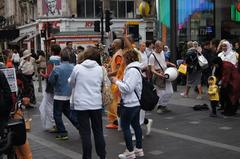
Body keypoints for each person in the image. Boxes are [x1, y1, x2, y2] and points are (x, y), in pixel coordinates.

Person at [69, 46, 106, 159]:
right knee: (98, 131)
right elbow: (101, 83)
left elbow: (71, 82)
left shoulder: (78, 68)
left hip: (81, 105)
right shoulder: (100, 69)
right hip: (96, 103)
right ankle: (102, 155)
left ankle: (87, 157)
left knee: (85, 134)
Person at [111, 49, 144, 159]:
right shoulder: (135, 69)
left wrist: (116, 81)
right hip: (135, 103)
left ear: (128, 59)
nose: (123, 60)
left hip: (130, 104)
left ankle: (130, 151)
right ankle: (138, 149)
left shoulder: (132, 71)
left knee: (125, 127)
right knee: (136, 126)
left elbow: (128, 88)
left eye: (124, 58)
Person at [48, 49, 79, 140]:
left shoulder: (57, 68)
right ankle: (79, 125)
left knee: (57, 114)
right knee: (68, 112)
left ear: (61, 57)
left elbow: (51, 80)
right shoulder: (74, 67)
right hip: (70, 94)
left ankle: (62, 132)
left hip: (59, 94)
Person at [149, 41, 176, 114]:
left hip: (166, 73)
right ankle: (160, 107)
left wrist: (170, 63)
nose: (161, 49)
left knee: (170, 91)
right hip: (159, 75)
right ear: (156, 47)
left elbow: (163, 62)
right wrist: (158, 74)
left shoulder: (162, 52)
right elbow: (152, 69)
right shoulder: (152, 56)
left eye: (162, 47)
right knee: (161, 93)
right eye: (160, 48)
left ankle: (164, 105)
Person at [39, 45, 61, 131]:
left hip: (51, 86)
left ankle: (54, 124)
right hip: (59, 85)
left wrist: (41, 74)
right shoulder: (61, 60)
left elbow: (48, 75)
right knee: (57, 105)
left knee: (49, 104)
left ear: (52, 51)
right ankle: (58, 123)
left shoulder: (51, 61)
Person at [106, 39, 123, 129]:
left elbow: (119, 69)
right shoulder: (117, 53)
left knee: (114, 103)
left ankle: (116, 122)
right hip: (116, 81)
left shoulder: (118, 55)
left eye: (113, 43)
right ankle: (115, 121)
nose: (111, 44)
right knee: (114, 102)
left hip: (116, 81)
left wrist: (108, 74)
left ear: (116, 45)